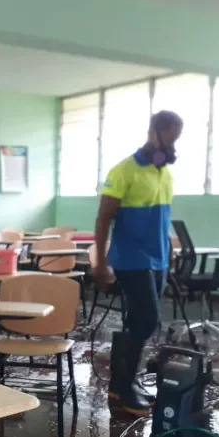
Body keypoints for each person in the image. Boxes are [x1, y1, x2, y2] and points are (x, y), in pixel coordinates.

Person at [93, 110, 183, 416]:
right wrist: (100, 261)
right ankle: (122, 384)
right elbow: (104, 217)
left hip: (158, 259)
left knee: (139, 321)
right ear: (153, 133)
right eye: (168, 136)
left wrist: (170, 246)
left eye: (176, 138)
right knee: (146, 320)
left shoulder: (164, 172)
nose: (172, 144)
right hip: (131, 258)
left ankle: (122, 386)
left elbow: (163, 215)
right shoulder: (124, 171)